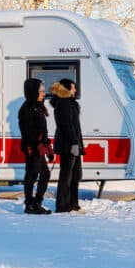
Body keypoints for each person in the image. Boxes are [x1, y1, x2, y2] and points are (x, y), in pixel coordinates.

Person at [18, 78, 53, 215]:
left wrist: (48, 148)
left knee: (44, 174)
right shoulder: (26, 109)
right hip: (32, 149)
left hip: (39, 148)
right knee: (32, 176)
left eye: (44, 91)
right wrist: (38, 146)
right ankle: (30, 204)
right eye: (41, 91)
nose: (44, 93)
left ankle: (36, 202)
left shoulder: (38, 107)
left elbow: (42, 131)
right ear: (33, 92)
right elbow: (28, 132)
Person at [50, 78, 83, 213]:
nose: (75, 90)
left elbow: (74, 125)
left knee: (75, 175)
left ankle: (73, 203)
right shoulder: (64, 104)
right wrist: (74, 143)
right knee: (66, 175)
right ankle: (62, 205)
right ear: (67, 89)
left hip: (73, 143)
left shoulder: (70, 103)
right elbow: (67, 125)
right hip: (67, 145)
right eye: (73, 87)